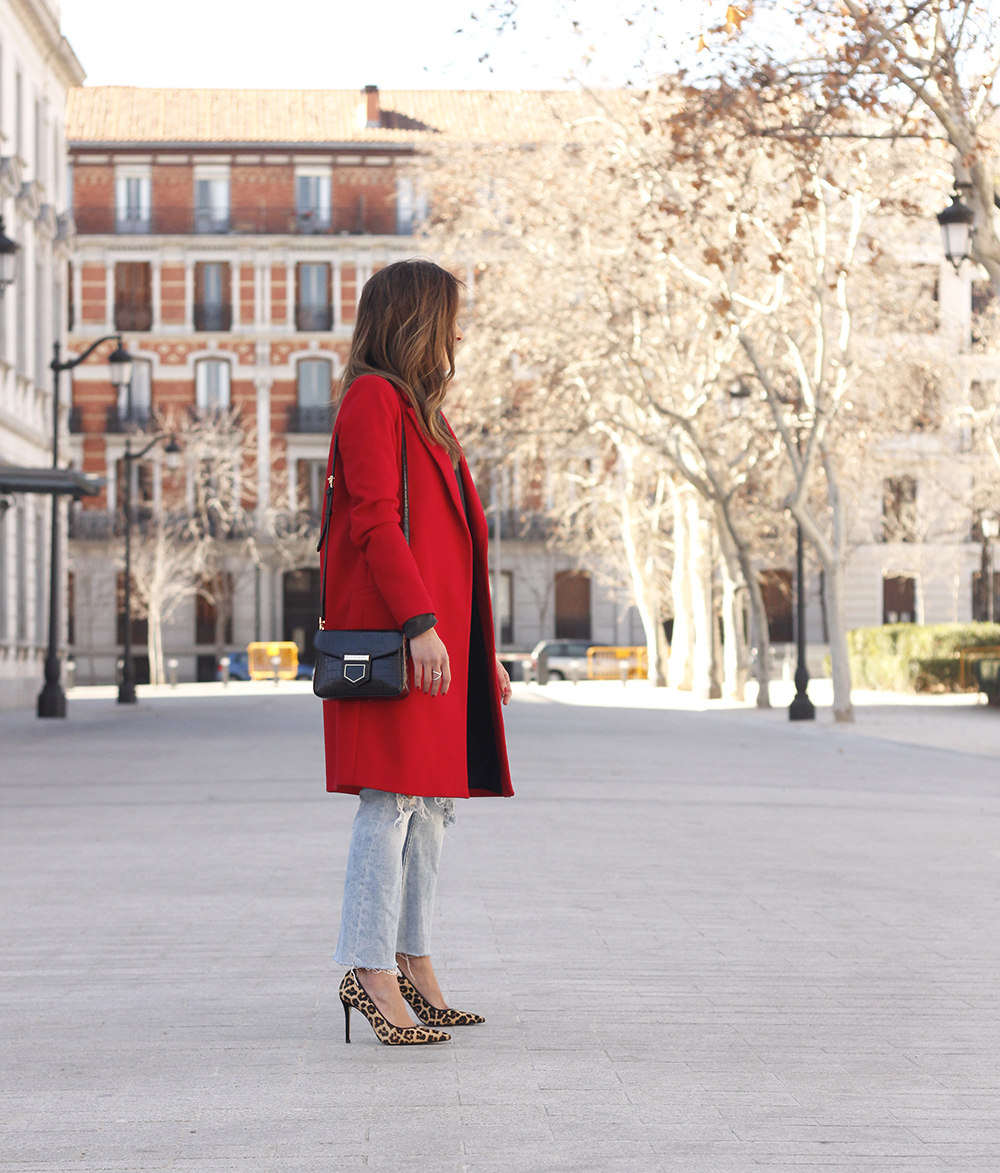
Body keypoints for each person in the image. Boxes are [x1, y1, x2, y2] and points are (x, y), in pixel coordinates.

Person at [320, 258, 514, 1047]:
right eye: (451, 317)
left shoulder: (425, 413)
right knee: (390, 801)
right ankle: (367, 970)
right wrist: (419, 623)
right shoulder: (372, 399)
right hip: (404, 638)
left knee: (431, 806)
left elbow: (458, 543)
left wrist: (482, 652)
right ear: (416, 321)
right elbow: (373, 520)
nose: (460, 332)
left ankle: (412, 957)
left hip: (439, 641)